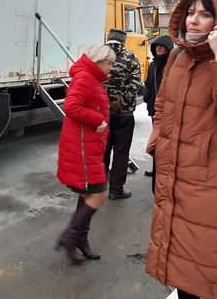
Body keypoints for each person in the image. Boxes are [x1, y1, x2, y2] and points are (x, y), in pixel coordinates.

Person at [144, 0, 217, 299]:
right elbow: (162, 103)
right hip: (172, 172)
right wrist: (158, 142)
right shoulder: (179, 56)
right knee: (178, 258)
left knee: (207, 261)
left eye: (205, 14)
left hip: (209, 179)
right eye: (191, 12)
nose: (194, 20)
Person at [56, 44, 115, 262]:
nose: (111, 67)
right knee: (99, 192)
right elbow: (70, 106)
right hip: (81, 147)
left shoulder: (92, 79)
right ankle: (71, 236)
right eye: (110, 63)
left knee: (88, 193)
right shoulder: (85, 78)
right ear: (100, 60)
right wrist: (97, 119)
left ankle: (80, 238)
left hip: (89, 146)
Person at [103, 28, 142, 200]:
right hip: (123, 115)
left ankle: (99, 186)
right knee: (120, 152)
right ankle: (116, 190)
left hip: (101, 114)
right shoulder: (132, 58)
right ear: (123, 41)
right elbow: (135, 84)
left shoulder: (99, 57)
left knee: (102, 150)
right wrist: (121, 104)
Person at [142, 35, 174, 185]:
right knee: (155, 140)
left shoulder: (173, 64)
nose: (158, 48)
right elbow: (148, 83)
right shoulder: (153, 65)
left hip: (168, 111)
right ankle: (156, 169)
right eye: (156, 46)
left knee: (165, 142)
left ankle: (162, 171)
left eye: (162, 45)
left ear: (168, 47)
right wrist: (147, 98)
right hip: (154, 109)